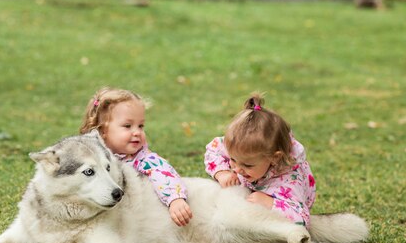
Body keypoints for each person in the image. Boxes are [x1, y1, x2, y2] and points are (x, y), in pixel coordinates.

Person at [80, 87, 193, 227]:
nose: (137, 132)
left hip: (136, 220)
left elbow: (162, 172)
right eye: (128, 126)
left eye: (140, 126)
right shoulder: (89, 159)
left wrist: (175, 199)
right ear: (102, 130)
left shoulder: (142, 159)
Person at [204, 93, 315, 227]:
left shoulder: (288, 181)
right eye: (233, 159)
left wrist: (270, 203)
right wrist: (222, 172)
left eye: (247, 165)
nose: (237, 169)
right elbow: (213, 150)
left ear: (274, 158)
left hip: (278, 194)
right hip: (256, 181)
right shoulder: (240, 146)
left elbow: (302, 220)